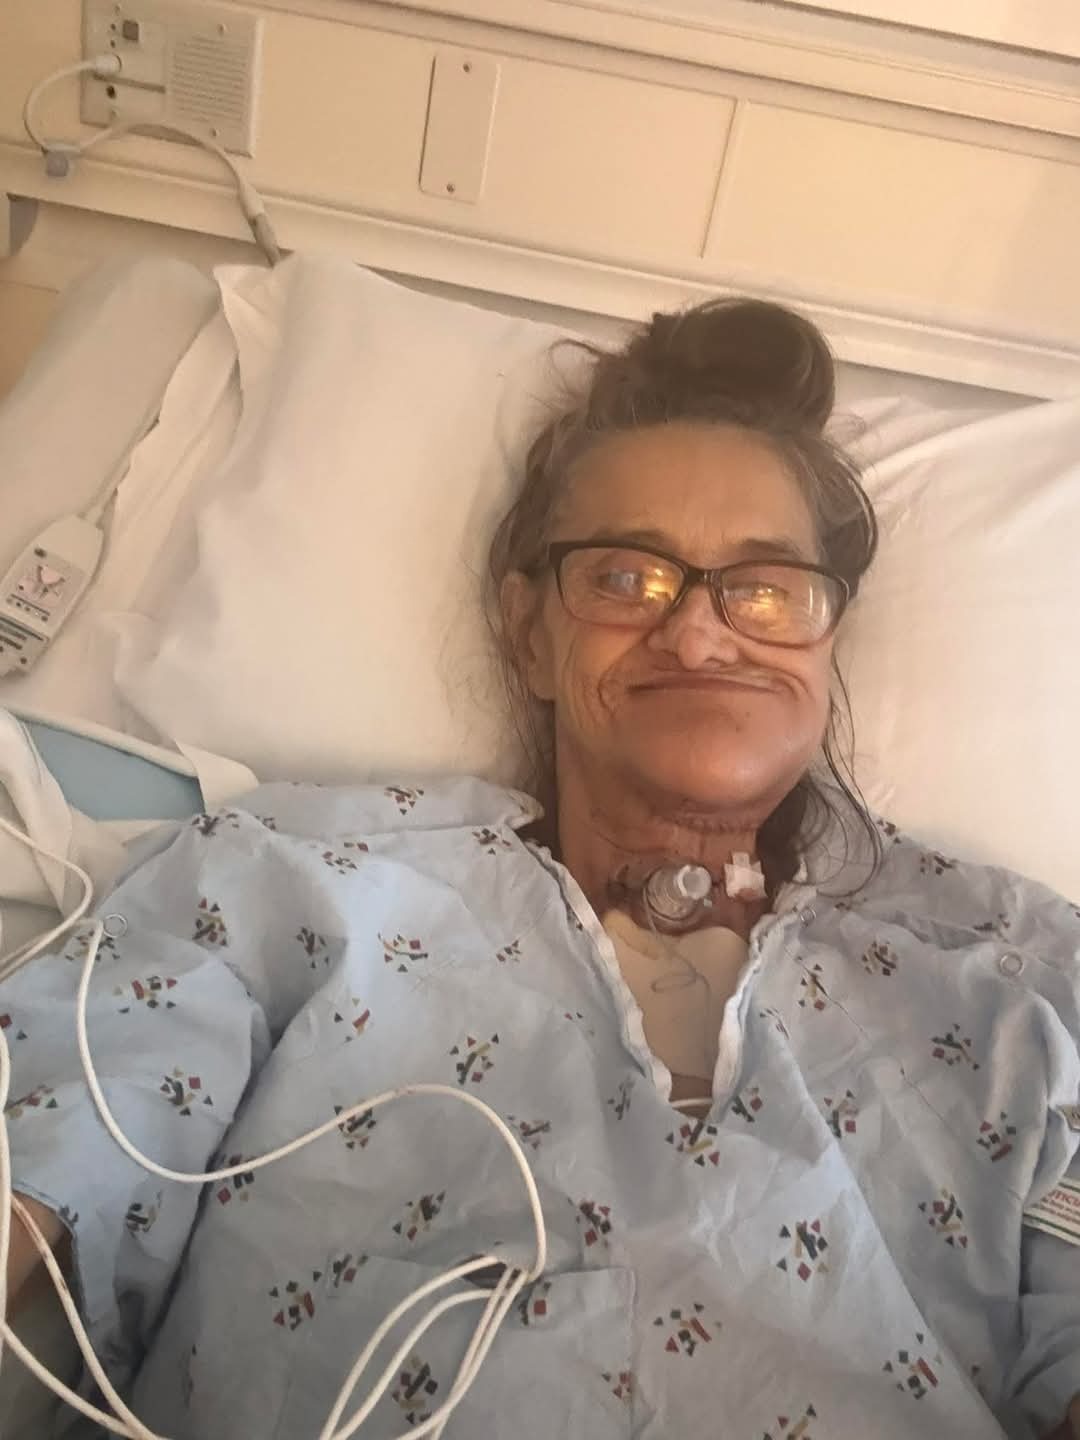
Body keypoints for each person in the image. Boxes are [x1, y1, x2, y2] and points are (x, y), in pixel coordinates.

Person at [3, 299, 1080, 1440]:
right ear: (528, 635)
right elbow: (57, 1140)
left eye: (765, 587)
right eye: (625, 579)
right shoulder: (284, 880)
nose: (700, 633)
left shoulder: (1021, 976)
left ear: (827, 639)